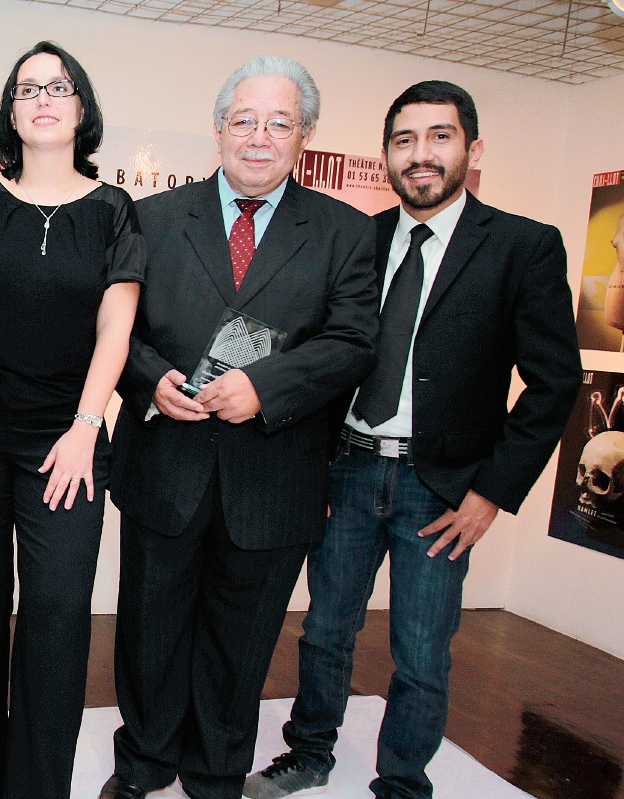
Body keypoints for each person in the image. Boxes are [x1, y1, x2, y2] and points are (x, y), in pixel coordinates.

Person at [244, 81, 582, 799]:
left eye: (439, 136)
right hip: (349, 471)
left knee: (422, 651)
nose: (420, 154)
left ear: (472, 148)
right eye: (404, 140)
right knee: (325, 631)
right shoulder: (357, 240)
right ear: (387, 154)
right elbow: (322, 358)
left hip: (443, 488)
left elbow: (554, 385)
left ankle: (402, 781)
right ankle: (308, 754)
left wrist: (491, 491)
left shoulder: (523, 246)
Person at [99, 56, 381, 799]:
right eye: (245, 120)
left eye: (279, 123)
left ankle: (216, 770)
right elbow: (111, 328)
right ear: (219, 127)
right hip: (166, 459)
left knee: (242, 639)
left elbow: (353, 341)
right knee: (150, 631)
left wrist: (263, 387)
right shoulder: (152, 217)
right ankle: (143, 764)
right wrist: (147, 377)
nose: (259, 137)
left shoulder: (347, 232)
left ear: (306, 135)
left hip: (274, 471)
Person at [0, 41, 144, 799]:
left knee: (56, 613)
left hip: (69, 439)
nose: (44, 98)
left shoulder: (113, 209)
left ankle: (36, 784)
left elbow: (117, 331)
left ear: (81, 109)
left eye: (60, 87)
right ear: (11, 112)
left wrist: (88, 425)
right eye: (28, 89)